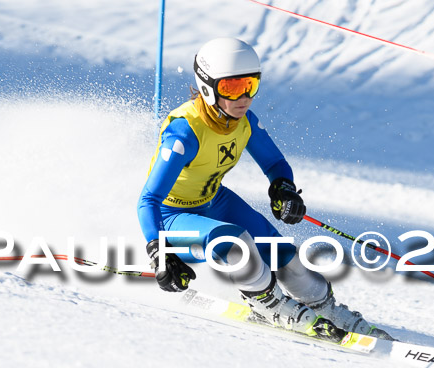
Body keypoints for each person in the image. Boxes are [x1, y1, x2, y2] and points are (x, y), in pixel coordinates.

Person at [137, 37, 392, 342]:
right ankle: (266, 302)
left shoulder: (243, 121)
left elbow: (274, 162)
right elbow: (148, 200)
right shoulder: (185, 133)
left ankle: (327, 308)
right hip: (172, 213)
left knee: (284, 256)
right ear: (207, 87)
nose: (244, 97)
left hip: (213, 200)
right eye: (232, 88)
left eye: (250, 85)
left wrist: (283, 189)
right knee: (237, 242)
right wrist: (158, 251)